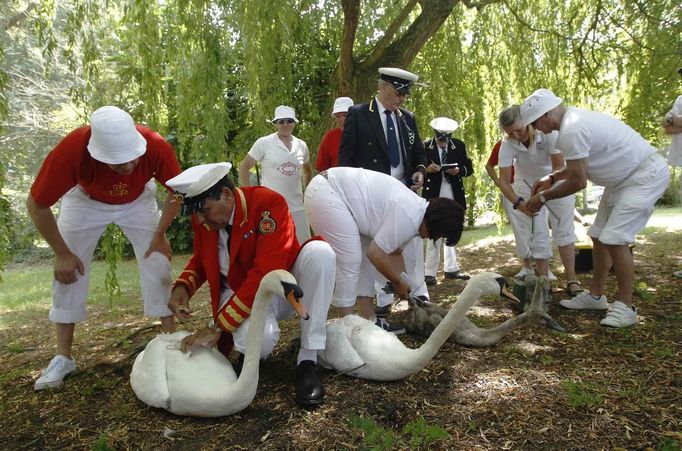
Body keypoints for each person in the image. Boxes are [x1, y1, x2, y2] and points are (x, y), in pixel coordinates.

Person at [28, 106, 181, 390]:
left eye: (131, 159)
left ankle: (170, 340)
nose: (126, 168)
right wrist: (62, 252)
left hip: (137, 203)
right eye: (116, 163)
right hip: (85, 202)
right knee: (68, 272)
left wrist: (160, 233)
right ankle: (63, 356)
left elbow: (178, 191)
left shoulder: (156, 144)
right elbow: (37, 204)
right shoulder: (72, 150)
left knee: (158, 260)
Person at [166, 163, 335, 406]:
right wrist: (184, 286)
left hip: (283, 286)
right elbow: (203, 258)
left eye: (204, 210)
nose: (201, 219)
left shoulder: (268, 204)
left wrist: (217, 326)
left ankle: (308, 359)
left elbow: (266, 271)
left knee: (320, 253)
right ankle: (253, 357)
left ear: (225, 195)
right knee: (258, 343)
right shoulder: (206, 219)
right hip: (238, 291)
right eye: (198, 214)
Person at [522, 88, 670, 327]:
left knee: (614, 238)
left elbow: (578, 181)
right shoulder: (574, 121)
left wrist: (542, 198)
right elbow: (577, 168)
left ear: (546, 115)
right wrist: (551, 178)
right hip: (622, 181)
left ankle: (625, 306)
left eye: (535, 123)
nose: (537, 129)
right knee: (598, 236)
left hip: (643, 176)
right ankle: (596, 297)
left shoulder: (572, 129)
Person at [305, 167, 464, 329]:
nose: (433, 238)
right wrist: (397, 281)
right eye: (438, 234)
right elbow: (377, 254)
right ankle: (347, 328)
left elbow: (395, 253)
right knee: (350, 260)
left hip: (338, 196)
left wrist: (405, 284)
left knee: (365, 263)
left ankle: (370, 323)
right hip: (327, 192)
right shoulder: (409, 216)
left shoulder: (416, 213)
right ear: (435, 223)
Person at [338, 67, 429, 331]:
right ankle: (380, 304)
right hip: (370, 199)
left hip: (403, 195)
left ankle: (416, 297)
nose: (402, 100)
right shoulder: (358, 114)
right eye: (399, 93)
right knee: (371, 251)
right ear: (383, 87)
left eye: (405, 95)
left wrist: (420, 173)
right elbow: (345, 161)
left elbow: (419, 155)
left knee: (409, 249)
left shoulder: (408, 119)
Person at [497, 105, 579, 292]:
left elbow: (558, 166)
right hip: (525, 186)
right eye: (510, 133)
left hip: (556, 181)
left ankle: (572, 280)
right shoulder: (507, 143)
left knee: (564, 231)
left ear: (528, 122)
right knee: (536, 232)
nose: (517, 136)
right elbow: (503, 181)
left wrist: (543, 194)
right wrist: (519, 203)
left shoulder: (549, 134)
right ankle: (543, 281)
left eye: (519, 130)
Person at [239, 105, 312, 244]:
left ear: (295, 122)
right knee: (273, 249)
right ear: (276, 123)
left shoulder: (302, 145)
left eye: (289, 120)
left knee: (304, 248)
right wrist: (249, 197)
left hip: (298, 209)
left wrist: (307, 194)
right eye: (281, 121)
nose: (285, 124)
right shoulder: (264, 143)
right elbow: (244, 167)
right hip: (271, 209)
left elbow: (308, 170)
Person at [422, 117, 473, 285]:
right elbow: (418, 169)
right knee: (433, 231)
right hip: (434, 194)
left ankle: (451, 268)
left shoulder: (458, 145)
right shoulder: (425, 146)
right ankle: (429, 272)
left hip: (454, 193)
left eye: (446, 140)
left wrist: (458, 170)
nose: (443, 143)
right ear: (435, 136)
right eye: (440, 140)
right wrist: (427, 170)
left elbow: (469, 168)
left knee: (452, 229)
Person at [485, 141, 534, 276]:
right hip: (510, 188)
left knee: (536, 224)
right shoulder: (501, 145)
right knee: (518, 227)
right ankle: (528, 264)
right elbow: (489, 166)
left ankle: (542, 264)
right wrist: (498, 182)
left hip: (530, 185)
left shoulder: (531, 141)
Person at [662, 68, 682, 278]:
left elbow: (673, 122)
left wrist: (675, 120)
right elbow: (668, 127)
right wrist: (673, 121)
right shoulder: (680, 99)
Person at [315, 96, 354, 172]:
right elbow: (322, 169)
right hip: (335, 182)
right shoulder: (330, 137)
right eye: (338, 116)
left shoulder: (364, 134)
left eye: (345, 115)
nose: (342, 120)